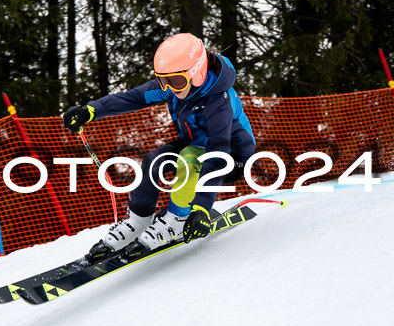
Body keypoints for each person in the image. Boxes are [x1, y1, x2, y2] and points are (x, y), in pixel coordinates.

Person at [63, 33, 255, 259]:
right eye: (163, 80)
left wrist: (202, 207)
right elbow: (132, 97)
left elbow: (217, 156)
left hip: (232, 156)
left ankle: (177, 218)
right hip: (196, 144)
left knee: (189, 158)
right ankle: (138, 220)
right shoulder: (176, 85)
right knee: (154, 159)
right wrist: (90, 111)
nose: (169, 87)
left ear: (197, 73)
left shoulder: (218, 101)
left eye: (175, 81)